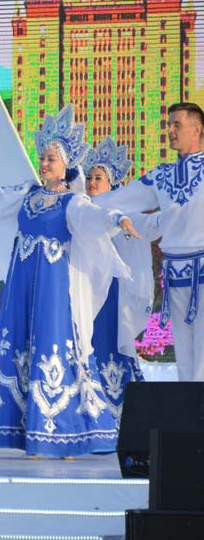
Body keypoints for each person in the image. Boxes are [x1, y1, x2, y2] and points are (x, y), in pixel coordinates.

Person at [0, 106, 139, 457]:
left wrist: (118, 219)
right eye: (43, 158)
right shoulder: (28, 193)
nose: (44, 164)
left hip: (54, 290)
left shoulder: (73, 201)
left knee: (53, 348)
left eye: (51, 159)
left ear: (66, 165)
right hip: (23, 285)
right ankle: (31, 433)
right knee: (20, 347)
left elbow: (94, 216)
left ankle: (66, 433)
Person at [94, 102, 204, 381]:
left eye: (177, 124)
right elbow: (119, 199)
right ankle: (189, 406)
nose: (170, 130)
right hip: (176, 272)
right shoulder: (161, 176)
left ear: (197, 129)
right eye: (169, 125)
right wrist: (76, 204)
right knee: (185, 352)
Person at [83, 137, 156, 416]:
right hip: (83, 292)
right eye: (89, 177)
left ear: (112, 184)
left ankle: (123, 413)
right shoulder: (79, 211)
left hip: (111, 295)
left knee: (110, 343)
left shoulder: (126, 216)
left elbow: (149, 229)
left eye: (98, 178)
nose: (92, 183)